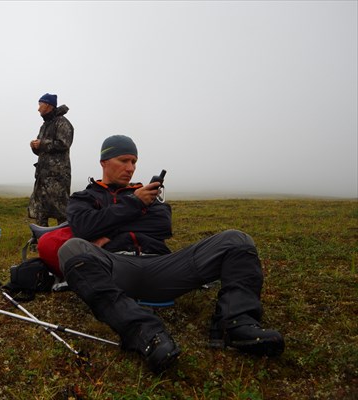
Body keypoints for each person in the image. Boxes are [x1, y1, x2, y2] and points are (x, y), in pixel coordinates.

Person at [58, 135, 284, 373]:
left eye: (134, 162)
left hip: (162, 267)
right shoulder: (84, 197)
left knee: (237, 240)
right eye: (124, 160)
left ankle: (237, 324)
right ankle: (144, 333)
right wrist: (135, 205)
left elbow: (161, 225)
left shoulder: (148, 194)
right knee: (71, 249)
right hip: (117, 269)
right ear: (104, 162)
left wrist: (106, 228)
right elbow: (83, 228)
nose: (131, 168)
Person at [29, 93, 74, 227]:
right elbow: (42, 150)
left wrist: (42, 143)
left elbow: (64, 143)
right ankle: (40, 237)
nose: (38, 109)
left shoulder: (62, 123)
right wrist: (35, 147)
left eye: (40, 105)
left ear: (48, 105)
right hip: (42, 175)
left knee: (61, 210)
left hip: (57, 176)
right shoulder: (44, 126)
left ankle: (64, 237)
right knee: (40, 210)